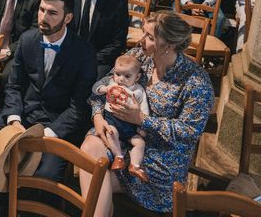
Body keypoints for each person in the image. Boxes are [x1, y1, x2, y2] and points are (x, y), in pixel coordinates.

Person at [79, 11, 214, 215]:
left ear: (168, 45)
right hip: (122, 138)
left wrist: (142, 119)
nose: (141, 40)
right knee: (91, 147)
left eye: (150, 37)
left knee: (96, 178)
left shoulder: (196, 82)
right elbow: (105, 85)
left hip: (160, 159)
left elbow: (189, 132)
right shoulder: (141, 56)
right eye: (143, 33)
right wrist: (98, 118)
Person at [0, 0, 97, 197]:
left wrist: (46, 135)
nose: (43, 17)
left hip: (56, 125)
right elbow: (14, 86)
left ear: (68, 18)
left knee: (46, 175)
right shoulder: (27, 39)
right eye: (41, 10)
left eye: (52, 13)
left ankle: (27, 209)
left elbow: (79, 108)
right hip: (22, 115)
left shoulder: (84, 53)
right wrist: (14, 118)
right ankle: (1, 200)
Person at [91, 54, 150, 183]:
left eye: (127, 76)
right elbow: (95, 89)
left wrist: (142, 126)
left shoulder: (138, 90)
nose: (121, 79)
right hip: (113, 121)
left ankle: (135, 165)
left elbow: (144, 110)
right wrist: (104, 89)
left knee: (140, 143)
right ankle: (119, 157)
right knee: (111, 133)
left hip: (130, 126)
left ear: (137, 77)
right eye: (118, 74)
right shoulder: (111, 83)